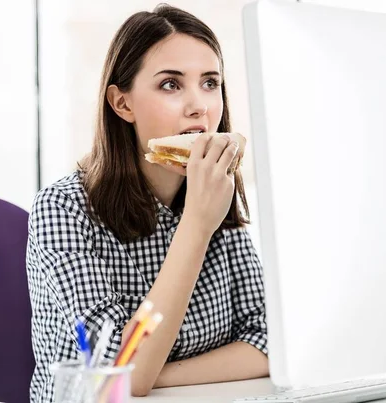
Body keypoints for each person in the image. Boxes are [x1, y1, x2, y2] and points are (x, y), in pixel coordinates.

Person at [26, 4, 268, 402]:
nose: (199, 106)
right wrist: (196, 225)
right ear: (123, 105)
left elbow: (266, 339)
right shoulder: (63, 208)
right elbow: (113, 374)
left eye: (210, 83)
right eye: (171, 85)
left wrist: (155, 375)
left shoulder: (216, 191)